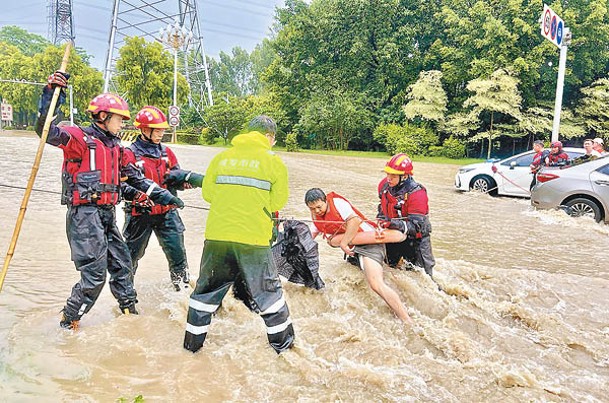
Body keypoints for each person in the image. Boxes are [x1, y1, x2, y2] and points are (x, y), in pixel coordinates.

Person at [36, 71, 184, 330]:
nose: (123, 124)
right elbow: (47, 131)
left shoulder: (118, 149)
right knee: (94, 276)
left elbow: (134, 179)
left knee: (123, 266)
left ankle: (129, 316)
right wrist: (51, 95)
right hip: (84, 216)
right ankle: (68, 323)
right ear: (103, 117)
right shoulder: (79, 139)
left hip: (106, 213)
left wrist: (163, 196)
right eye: (119, 119)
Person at [184, 115, 295, 354]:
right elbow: (278, 200)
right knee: (269, 294)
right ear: (268, 137)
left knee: (204, 293)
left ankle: (191, 348)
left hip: (217, 237)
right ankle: (284, 351)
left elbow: (209, 195)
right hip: (253, 239)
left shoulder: (221, 157)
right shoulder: (273, 162)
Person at [122, 106, 203, 291]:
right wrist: (138, 195)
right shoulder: (129, 154)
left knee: (178, 256)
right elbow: (122, 185)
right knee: (130, 257)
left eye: (162, 130)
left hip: (168, 214)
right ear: (143, 129)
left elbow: (174, 178)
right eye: (157, 130)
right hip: (139, 214)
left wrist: (184, 184)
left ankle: (182, 296)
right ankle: (125, 297)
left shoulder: (167, 153)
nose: (161, 134)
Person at [305, 188, 413, 324]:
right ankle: (403, 304)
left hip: (369, 244)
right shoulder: (316, 217)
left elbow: (354, 221)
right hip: (355, 248)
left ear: (325, 201)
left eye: (319, 207)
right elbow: (310, 236)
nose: (316, 211)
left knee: (376, 284)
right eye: (312, 209)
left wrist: (344, 242)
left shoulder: (337, 203)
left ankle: (407, 320)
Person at [377, 153, 435, 278]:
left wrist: (392, 223)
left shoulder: (417, 193)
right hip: (393, 237)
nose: (388, 178)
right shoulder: (384, 186)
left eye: (393, 175)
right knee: (389, 271)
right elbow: (382, 207)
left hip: (416, 241)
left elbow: (415, 227)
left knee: (423, 278)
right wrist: (381, 220)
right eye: (387, 174)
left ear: (404, 176)